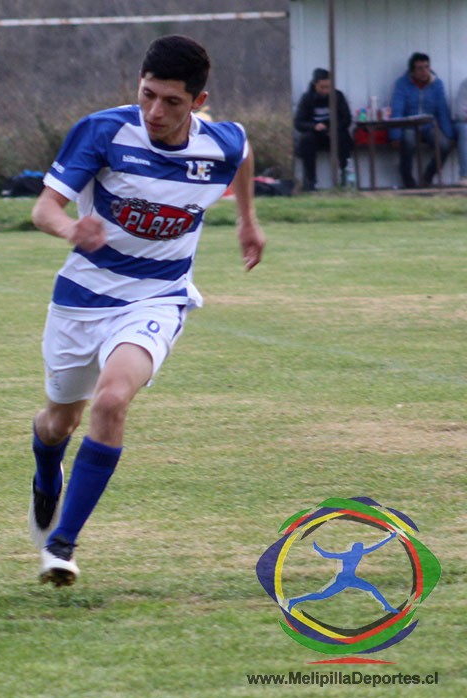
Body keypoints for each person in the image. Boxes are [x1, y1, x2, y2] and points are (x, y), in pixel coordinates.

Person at [26, 35, 266, 587]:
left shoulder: (219, 144)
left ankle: (61, 546)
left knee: (111, 401)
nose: (155, 112)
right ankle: (45, 469)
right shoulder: (104, 131)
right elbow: (44, 208)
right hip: (82, 300)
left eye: (172, 102)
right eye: (147, 95)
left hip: (157, 296)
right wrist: (71, 228)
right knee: (59, 419)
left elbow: (244, 153)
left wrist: (247, 219)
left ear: (198, 103)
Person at [390, 52, 455, 189]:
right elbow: (397, 109)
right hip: (408, 124)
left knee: (444, 145)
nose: (424, 71)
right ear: (412, 70)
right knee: (407, 142)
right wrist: (395, 134)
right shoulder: (402, 84)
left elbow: (442, 110)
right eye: (420, 68)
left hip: (429, 124)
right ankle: (408, 180)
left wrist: (449, 135)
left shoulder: (437, 84)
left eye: (426, 67)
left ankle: (428, 176)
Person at [293, 68, 353, 191]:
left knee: (342, 137)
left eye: (328, 87)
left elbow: (347, 118)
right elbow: (298, 123)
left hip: (334, 133)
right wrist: (313, 126)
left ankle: (345, 176)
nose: (326, 90)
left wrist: (334, 128)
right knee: (306, 140)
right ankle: (310, 181)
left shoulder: (338, 96)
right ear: (315, 85)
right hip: (315, 136)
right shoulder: (307, 98)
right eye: (322, 87)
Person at [454, 76, 467, 187]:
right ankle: (465, 175)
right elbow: (461, 113)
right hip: (464, 122)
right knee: (465, 130)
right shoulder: (465, 84)